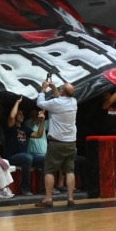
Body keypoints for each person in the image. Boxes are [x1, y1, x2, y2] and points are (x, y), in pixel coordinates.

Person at [35, 78, 78, 209]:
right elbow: (61, 99)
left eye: (61, 88)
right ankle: (70, 199)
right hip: (71, 142)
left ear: (63, 91)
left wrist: (43, 89)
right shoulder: (74, 102)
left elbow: (40, 103)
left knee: (49, 170)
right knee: (69, 170)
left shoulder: (56, 103)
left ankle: (48, 199)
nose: (59, 88)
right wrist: (54, 89)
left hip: (57, 142)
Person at [5, 96, 45, 195]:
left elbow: (38, 135)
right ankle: (25, 186)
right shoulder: (12, 127)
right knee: (27, 157)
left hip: (26, 155)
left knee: (46, 158)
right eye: (19, 114)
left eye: (22, 114)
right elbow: (11, 117)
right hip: (13, 156)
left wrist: (42, 121)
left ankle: (44, 187)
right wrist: (17, 102)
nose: (21, 116)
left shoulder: (25, 129)